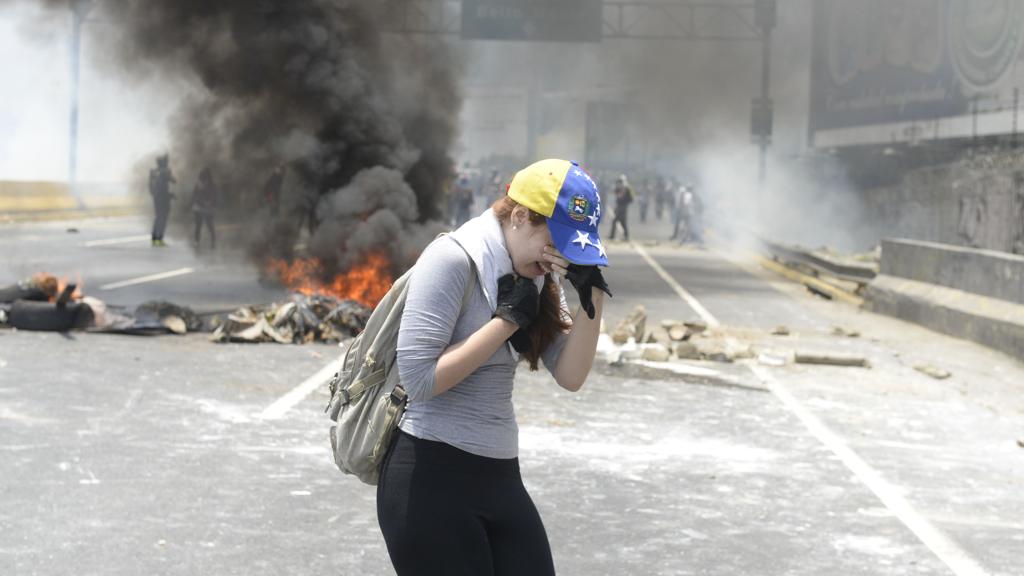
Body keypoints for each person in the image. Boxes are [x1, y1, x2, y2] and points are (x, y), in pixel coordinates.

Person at [378, 158, 612, 576]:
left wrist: (593, 299)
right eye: (555, 239)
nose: (558, 254)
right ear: (520, 215)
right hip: (429, 475)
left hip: (500, 474)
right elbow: (418, 379)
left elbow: (571, 376)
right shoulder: (453, 259)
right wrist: (505, 323)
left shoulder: (536, 274)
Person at [148, 154, 176, 247]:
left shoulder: (153, 172)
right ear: (164, 163)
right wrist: (170, 195)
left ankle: (154, 238)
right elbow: (174, 181)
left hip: (156, 198)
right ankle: (159, 238)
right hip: (164, 199)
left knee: (158, 217)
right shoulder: (165, 171)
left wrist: (154, 194)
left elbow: (150, 186)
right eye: (166, 162)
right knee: (163, 218)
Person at [191, 166, 217, 250]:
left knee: (208, 226)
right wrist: (205, 202)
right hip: (200, 208)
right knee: (200, 225)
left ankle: (211, 241)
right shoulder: (199, 184)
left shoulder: (211, 184)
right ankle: (197, 241)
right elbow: (195, 196)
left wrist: (210, 202)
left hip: (205, 208)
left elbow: (214, 195)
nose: (205, 177)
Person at [608, 173, 634, 241]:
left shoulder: (627, 188)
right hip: (620, 206)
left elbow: (630, 199)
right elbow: (616, 192)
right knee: (623, 222)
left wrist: (624, 201)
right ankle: (626, 236)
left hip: (623, 207)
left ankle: (612, 236)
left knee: (616, 221)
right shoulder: (621, 188)